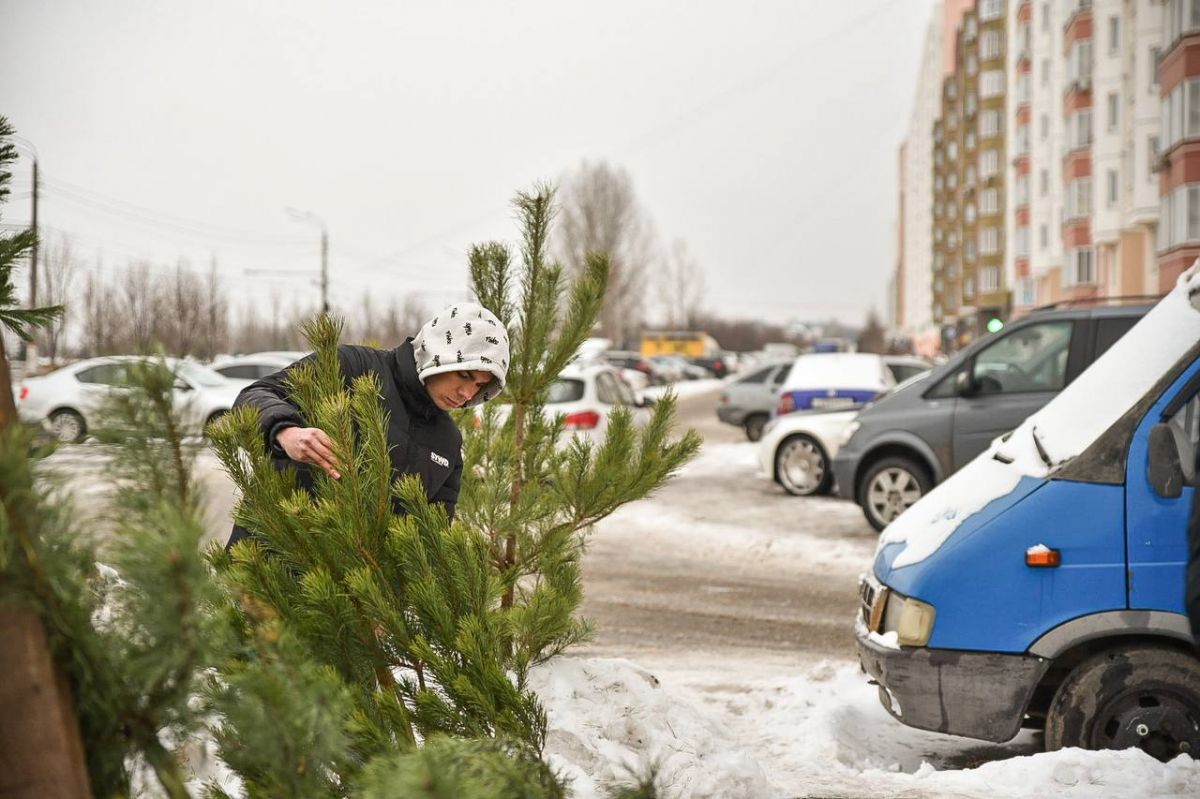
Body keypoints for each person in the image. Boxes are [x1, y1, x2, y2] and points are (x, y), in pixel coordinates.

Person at [225, 301, 509, 551]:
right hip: (268, 566)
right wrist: (286, 431)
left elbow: (431, 541)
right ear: (436, 350)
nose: (467, 394)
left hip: (350, 605)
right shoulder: (354, 367)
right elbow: (253, 396)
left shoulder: (447, 443)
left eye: (480, 386)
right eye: (463, 374)